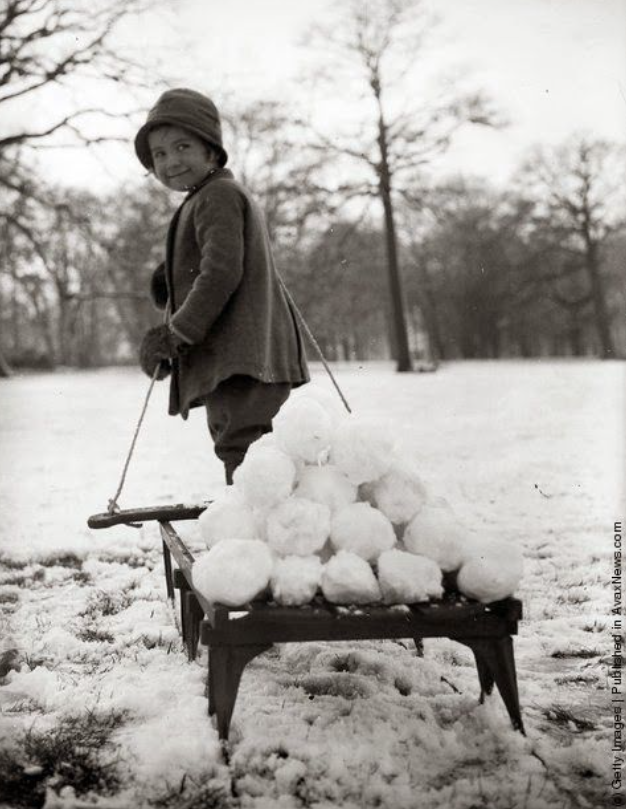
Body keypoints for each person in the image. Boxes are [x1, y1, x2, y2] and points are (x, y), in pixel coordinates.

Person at [134, 88, 309, 484]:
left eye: (182, 146)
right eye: (159, 154)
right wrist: (174, 275)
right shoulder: (207, 197)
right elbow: (218, 254)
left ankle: (262, 532)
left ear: (211, 151)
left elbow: (222, 271)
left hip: (242, 356)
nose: (170, 161)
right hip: (237, 357)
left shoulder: (218, 195)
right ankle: (258, 523)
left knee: (244, 445)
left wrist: (177, 333)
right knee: (238, 441)